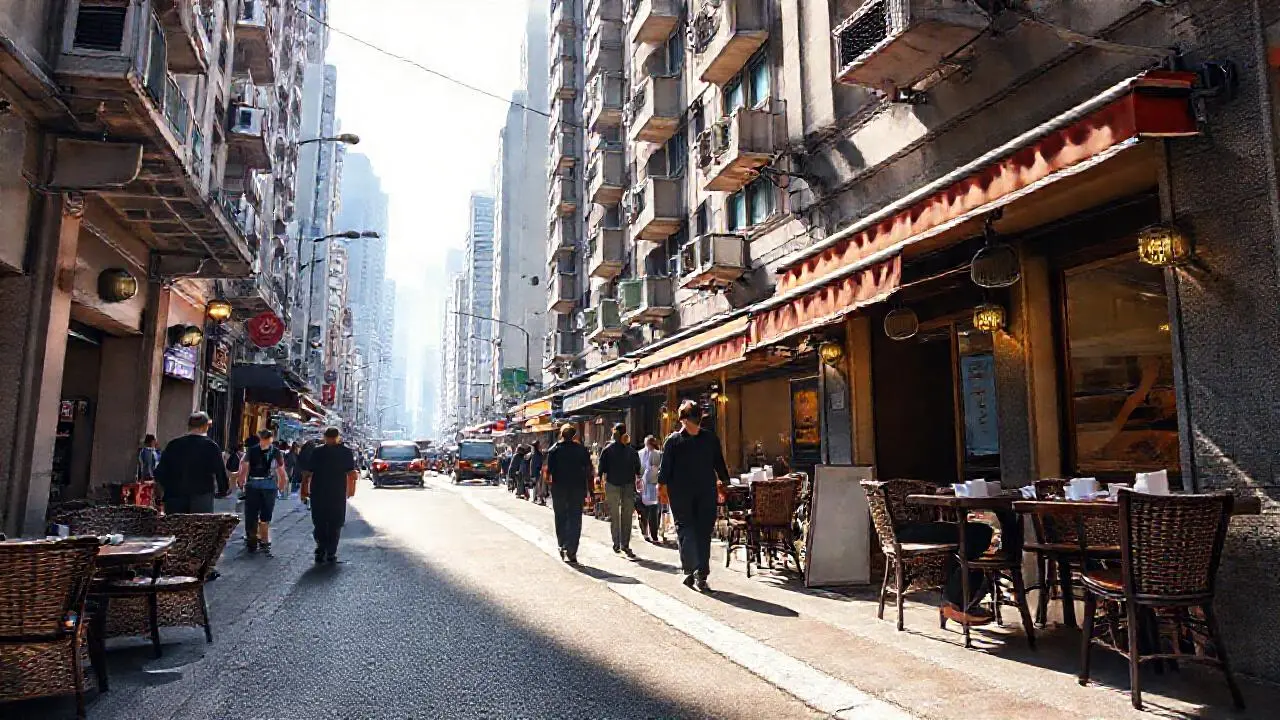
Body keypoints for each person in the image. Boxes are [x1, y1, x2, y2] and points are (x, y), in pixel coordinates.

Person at [659, 400, 730, 592]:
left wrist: (724, 483)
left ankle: (700, 573)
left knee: (703, 532)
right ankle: (691, 570)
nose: (690, 423)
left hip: (706, 492)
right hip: (681, 494)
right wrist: (662, 490)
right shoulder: (673, 441)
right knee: (686, 531)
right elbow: (664, 469)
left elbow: (719, 464)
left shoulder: (710, 439)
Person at [300, 427, 358, 563]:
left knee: (320, 522)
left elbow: (307, 473)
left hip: (319, 492)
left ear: (325, 437)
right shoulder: (346, 452)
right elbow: (352, 474)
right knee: (334, 523)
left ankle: (321, 548)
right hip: (336, 493)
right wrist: (351, 491)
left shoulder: (317, 452)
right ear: (338, 437)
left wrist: (303, 491)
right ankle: (330, 551)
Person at [154, 412, 230, 513]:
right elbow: (220, 472)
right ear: (205, 426)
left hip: (175, 496)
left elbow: (160, 472)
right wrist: (223, 489)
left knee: (176, 527)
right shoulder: (211, 446)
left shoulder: (173, 445)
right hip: (201, 497)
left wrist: (165, 489)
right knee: (199, 526)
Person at [543, 424, 593, 564]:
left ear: (561, 435)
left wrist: (548, 486)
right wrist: (591, 490)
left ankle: (562, 544)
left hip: (559, 488)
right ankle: (572, 550)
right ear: (574, 435)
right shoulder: (581, 450)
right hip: (577, 488)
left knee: (561, 517)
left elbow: (549, 472)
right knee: (575, 519)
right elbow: (589, 470)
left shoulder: (554, 450)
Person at [234, 429, 289, 555]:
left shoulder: (252, 450)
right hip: (269, 486)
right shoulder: (276, 452)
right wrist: (281, 485)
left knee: (252, 513)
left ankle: (252, 540)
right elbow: (281, 470)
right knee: (265, 513)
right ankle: (264, 540)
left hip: (253, 484)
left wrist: (241, 480)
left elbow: (244, 466)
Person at [598, 423, 641, 557]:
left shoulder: (607, 450)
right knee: (627, 516)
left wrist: (600, 479)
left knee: (615, 516)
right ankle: (625, 544)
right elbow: (638, 469)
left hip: (612, 484)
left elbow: (601, 469)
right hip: (628, 485)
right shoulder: (632, 451)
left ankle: (616, 543)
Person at [637, 435, 663, 544]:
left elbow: (661, 470)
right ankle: (645, 532)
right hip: (643, 486)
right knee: (644, 511)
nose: (649, 446)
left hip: (653, 486)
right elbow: (638, 469)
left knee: (653, 511)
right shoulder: (639, 454)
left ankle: (653, 534)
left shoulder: (659, 454)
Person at [529, 440, 546, 505]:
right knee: (538, 486)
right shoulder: (536, 454)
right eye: (539, 444)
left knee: (537, 486)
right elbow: (535, 465)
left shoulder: (536, 454)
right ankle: (539, 499)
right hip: (537, 472)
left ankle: (537, 499)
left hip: (537, 472)